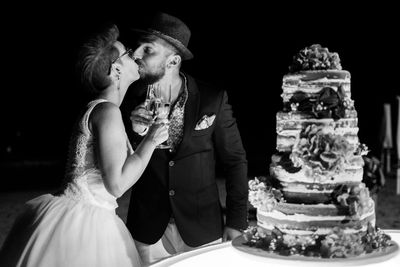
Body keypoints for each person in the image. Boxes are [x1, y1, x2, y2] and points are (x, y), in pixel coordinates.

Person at [0, 24, 168, 267]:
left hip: (70, 216)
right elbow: (117, 184)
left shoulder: (99, 108)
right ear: (116, 70)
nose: (135, 55)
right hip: (86, 225)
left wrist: (140, 135)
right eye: (128, 53)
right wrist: (152, 140)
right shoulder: (107, 111)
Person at [121, 12, 248, 265]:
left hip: (202, 227)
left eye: (148, 50)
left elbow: (235, 161)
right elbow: (117, 166)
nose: (136, 54)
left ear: (173, 61)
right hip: (146, 229)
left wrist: (236, 221)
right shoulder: (128, 99)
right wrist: (135, 135)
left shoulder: (213, 98)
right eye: (138, 47)